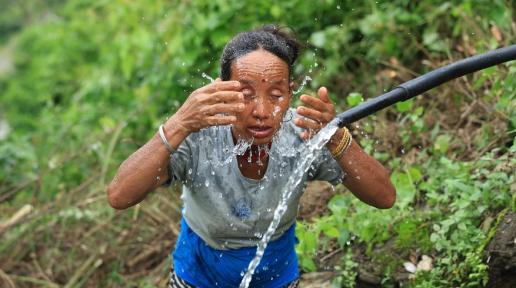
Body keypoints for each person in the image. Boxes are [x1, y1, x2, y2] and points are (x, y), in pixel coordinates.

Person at [107, 25, 396, 288]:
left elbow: (384, 197)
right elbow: (119, 196)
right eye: (246, 93)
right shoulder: (199, 136)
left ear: (290, 94)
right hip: (198, 274)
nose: (261, 110)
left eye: (275, 94)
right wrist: (178, 123)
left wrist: (337, 137)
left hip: (276, 275)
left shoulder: (303, 135)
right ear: (222, 90)